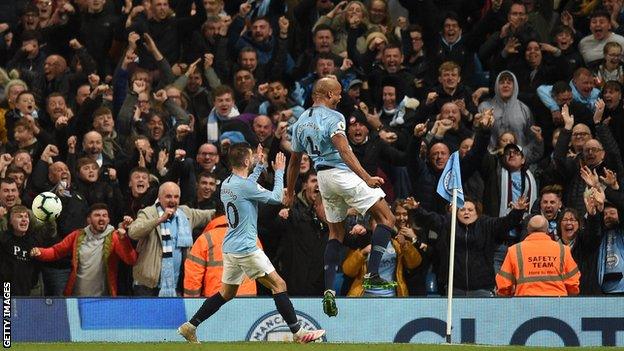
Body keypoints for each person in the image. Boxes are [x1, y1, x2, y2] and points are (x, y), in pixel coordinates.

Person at [178, 143, 325, 344]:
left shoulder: (227, 184)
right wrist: (279, 171)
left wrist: (257, 169)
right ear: (246, 160)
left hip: (230, 247)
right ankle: (298, 333)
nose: (255, 158)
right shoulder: (245, 186)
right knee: (279, 284)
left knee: (226, 293)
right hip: (246, 248)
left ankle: (190, 326)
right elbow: (276, 198)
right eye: (252, 158)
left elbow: (247, 186)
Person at [285, 77, 396, 317]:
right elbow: (344, 151)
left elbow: (294, 163)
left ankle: (328, 291)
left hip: (323, 178)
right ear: (326, 94)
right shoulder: (335, 118)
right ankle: (373, 275)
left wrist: (290, 192)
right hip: (341, 174)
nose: (339, 97)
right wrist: (366, 177)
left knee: (336, 233)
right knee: (387, 218)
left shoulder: (301, 122)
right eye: (337, 94)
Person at [128, 182, 215, 296]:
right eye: (168, 196)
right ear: (159, 198)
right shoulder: (148, 213)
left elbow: (211, 214)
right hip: (147, 286)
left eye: (176, 197)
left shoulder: (186, 213)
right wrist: (159, 220)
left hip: (176, 285)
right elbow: (133, 232)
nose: (172, 201)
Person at [30, 204, 137, 297]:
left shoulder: (115, 237)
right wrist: (40, 252)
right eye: (97, 215)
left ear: (108, 220)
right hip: (76, 297)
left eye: (104, 215)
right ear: (89, 220)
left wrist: (124, 240)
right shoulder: (77, 235)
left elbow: (131, 260)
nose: (101, 218)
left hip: (103, 298)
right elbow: (56, 252)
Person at [183, 203, 259, 297]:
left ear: (215, 215)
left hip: (216, 301)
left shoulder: (205, 240)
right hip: (249, 300)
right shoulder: (251, 238)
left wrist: (192, 304)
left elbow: (193, 278)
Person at [496, 215, 581, 297]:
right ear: (547, 231)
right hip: (557, 305)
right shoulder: (563, 250)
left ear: (528, 230)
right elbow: (573, 284)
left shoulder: (514, 250)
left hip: (525, 305)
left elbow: (504, 285)